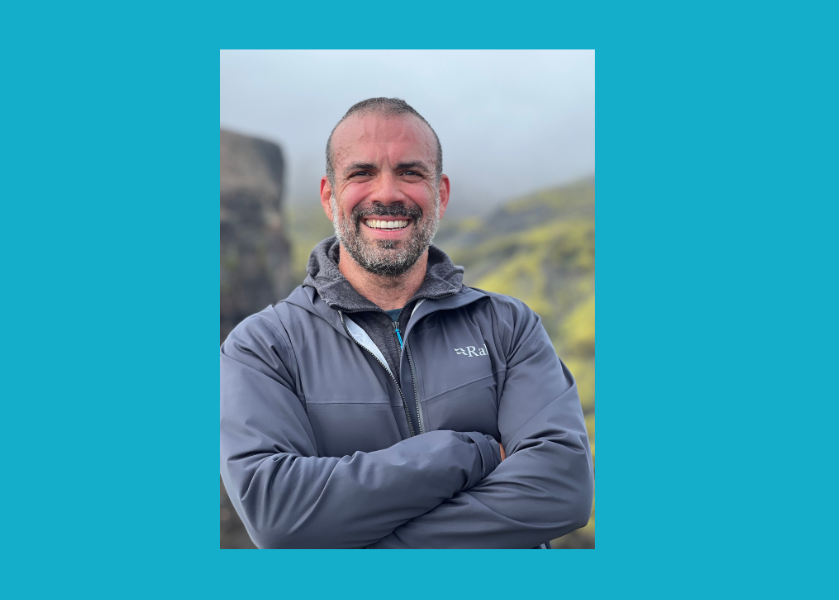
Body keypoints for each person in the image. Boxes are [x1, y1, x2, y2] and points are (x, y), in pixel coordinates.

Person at [220, 97, 593, 548]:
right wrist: (466, 452)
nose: (387, 193)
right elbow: (277, 515)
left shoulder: (508, 326)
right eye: (361, 173)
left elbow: (562, 489)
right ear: (328, 195)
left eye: (410, 172)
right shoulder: (262, 346)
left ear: (441, 193)